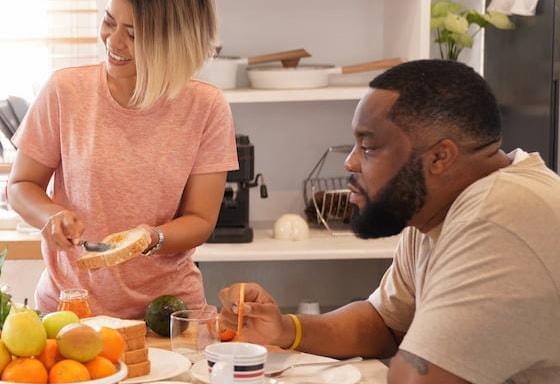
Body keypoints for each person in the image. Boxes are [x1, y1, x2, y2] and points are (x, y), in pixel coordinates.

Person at [219, 60, 560, 383]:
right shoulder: (433, 212)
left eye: (368, 148)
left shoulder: (500, 214)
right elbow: (384, 323)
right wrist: (285, 330)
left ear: (440, 157)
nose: (351, 163)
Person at [8, 0, 237, 318]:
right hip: (70, 311)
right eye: (109, 22)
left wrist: (148, 238)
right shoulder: (66, 90)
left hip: (168, 314)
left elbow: (200, 220)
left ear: (175, 41)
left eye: (133, 34)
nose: (113, 41)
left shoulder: (207, 106)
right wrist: (51, 215)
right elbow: (21, 185)